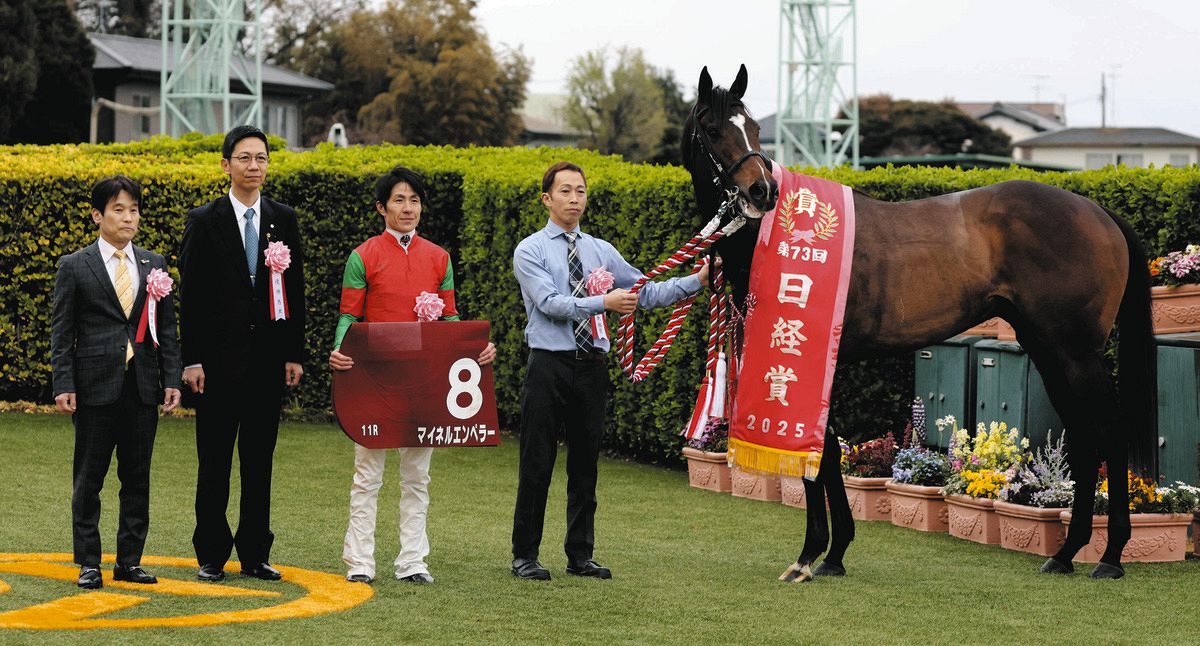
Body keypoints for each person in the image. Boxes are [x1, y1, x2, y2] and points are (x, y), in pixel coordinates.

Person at [510, 161, 711, 580]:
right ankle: (525, 555)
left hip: (591, 367)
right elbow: (550, 304)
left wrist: (697, 280)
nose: (574, 199)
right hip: (548, 364)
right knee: (537, 462)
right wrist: (604, 303)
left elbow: (644, 292)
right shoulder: (529, 250)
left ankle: (580, 556)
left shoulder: (601, 250)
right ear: (547, 199)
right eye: (564, 191)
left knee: (586, 465)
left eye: (580, 191)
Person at [329, 166, 497, 585]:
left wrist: (477, 349)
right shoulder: (362, 255)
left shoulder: (439, 257)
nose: (408, 208)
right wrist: (339, 351)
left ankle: (412, 562)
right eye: (399, 200)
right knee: (367, 475)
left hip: (424, 381)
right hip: (374, 379)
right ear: (381, 207)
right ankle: (360, 562)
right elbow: (349, 314)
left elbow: (451, 316)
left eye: (414, 200)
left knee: (417, 475)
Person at [179, 125, 307, 583]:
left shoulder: (282, 218)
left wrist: (294, 352)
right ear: (226, 164)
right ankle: (211, 553)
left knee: (259, 460)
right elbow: (190, 296)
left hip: (268, 362)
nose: (254, 166)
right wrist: (191, 360)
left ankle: (255, 552)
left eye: (262, 158)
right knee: (214, 459)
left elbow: (294, 290)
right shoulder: (204, 220)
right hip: (216, 364)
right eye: (245, 158)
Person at [51, 175, 182, 589]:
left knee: (137, 478)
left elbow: (168, 329)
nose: (129, 218)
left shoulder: (154, 264)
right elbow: (61, 332)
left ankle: (129, 560)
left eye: (134, 209)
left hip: (142, 386)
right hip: (93, 386)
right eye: (119, 209)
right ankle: (89, 561)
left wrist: (172, 379)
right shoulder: (74, 265)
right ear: (98, 215)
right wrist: (62, 383)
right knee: (89, 478)